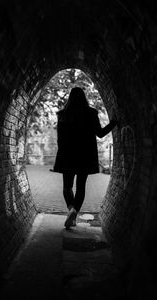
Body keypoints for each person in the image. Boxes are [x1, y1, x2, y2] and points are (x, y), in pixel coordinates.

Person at [53, 87, 118, 229]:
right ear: (84, 97)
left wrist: (62, 154)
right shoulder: (91, 113)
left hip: (68, 155)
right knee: (81, 187)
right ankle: (74, 213)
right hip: (85, 156)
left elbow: (60, 139)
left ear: (70, 98)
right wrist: (113, 123)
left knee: (67, 187)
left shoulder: (63, 114)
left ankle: (71, 210)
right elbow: (100, 134)